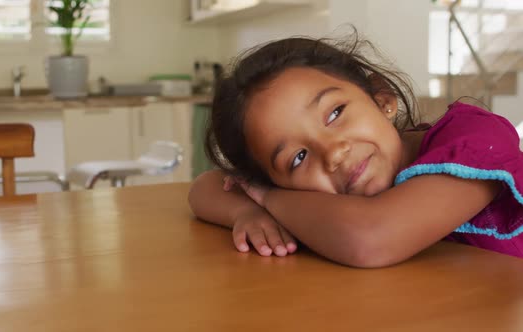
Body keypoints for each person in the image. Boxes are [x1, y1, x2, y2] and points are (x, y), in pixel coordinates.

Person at [188, 31, 523, 268]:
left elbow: (371, 240)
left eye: (335, 113)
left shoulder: (475, 138)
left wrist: (267, 198)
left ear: (382, 98)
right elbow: (205, 187)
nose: (333, 153)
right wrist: (245, 213)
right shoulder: (314, 198)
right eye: (298, 158)